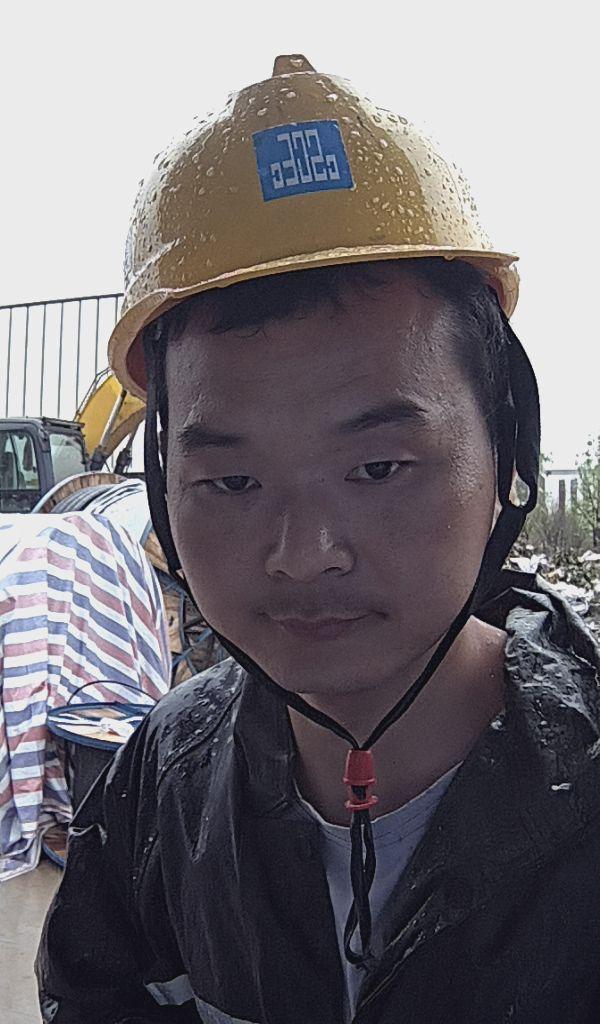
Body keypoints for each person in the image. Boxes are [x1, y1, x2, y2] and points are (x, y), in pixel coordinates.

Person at [36, 54, 600, 1024]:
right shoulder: (162, 785)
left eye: (378, 468)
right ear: (164, 488)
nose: (304, 553)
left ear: (505, 449)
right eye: (233, 481)